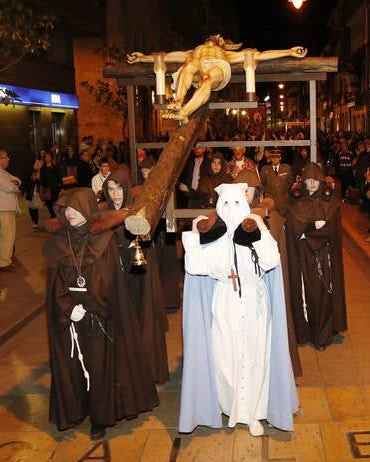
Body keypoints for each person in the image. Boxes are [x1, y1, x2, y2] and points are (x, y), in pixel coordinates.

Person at [180, 183, 298, 436]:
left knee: (256, 357)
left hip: (255, 299)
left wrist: (260, 230)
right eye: (226, 204)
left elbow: (271, 261)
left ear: (244, 206)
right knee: (225, 358)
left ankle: (253, 413)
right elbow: (195, 266)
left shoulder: (254, 230)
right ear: (219, 208)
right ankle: (232, 409)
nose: (232, 209)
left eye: (237, 203)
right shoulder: (215, 236)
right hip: (224, 302)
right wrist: (195, 233)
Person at [43, 188, 159, 440]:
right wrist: (68, 307)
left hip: (98, 316)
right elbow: (54, 282)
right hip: (69, 318)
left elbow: (108, 279)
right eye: (66, 209)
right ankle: (75, 411)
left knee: (99, 368)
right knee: (72, 367)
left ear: (87, 209)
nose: (71, 214)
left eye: (75, 208)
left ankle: (100, 417)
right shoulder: (57, 242)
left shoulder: (104, 240)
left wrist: (90, 305)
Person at [127, 35, 307, 120]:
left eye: (221, 37)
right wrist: (142, 57)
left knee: (207, 79)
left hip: (218, 68)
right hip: (197, 65)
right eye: (216, 35)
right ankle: (178, 101)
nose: (217, 36)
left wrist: (289, 51)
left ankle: (184, 113)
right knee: (188, 65)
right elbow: (165, 56)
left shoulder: (226, 54)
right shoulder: (194, 51)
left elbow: (260, 55)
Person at [102, 168, 170, 384]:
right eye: (110, 189)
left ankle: (144, 371)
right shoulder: (103, 216)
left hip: (137, 278)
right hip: (114, 279)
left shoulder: (139, 211)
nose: (115, 194)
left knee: (141, 323)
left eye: (119, 188)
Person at [285, 162, 347, 351]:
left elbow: (330, 231)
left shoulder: (331, 203)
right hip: (303, 256)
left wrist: (307, 231)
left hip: (324, 256)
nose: (312, 184)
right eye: (308, 180)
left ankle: (323, 334)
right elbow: (294, 229)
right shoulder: (296, 202)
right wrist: (313, 227)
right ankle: (305, 332)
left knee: (323, 294)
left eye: (315, 180)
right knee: (306, 294)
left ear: (321, 181)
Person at [0, 150, 21, 272]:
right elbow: (10, 187)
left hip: (8, 207)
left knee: (10, 235)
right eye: (6, 157)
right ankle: (3, 263)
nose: (8, 159)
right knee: (6, 236)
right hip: (2, 208)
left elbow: (17, 181)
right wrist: (14, 184)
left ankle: (6, 260)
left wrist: (15, 183)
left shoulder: (1, 171)